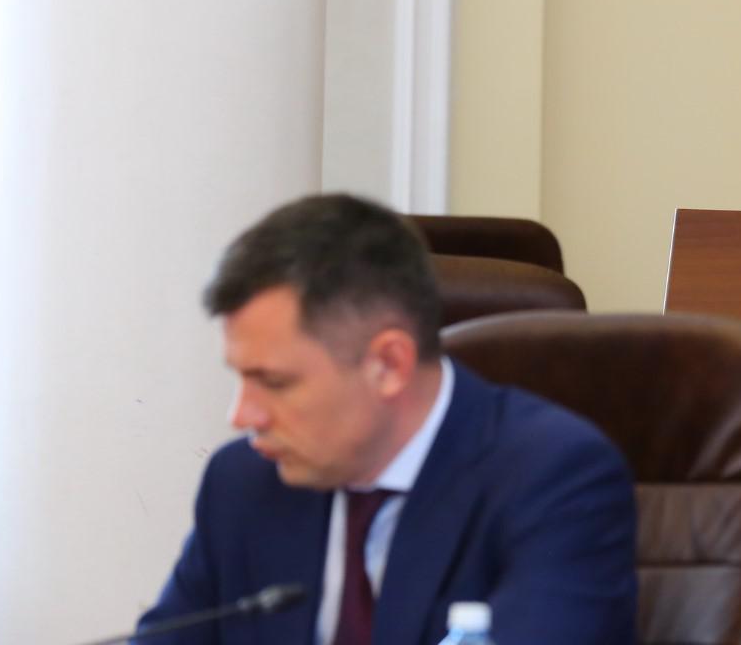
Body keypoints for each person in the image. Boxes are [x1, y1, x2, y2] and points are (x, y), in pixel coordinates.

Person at [139, 193, 637, 644]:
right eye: (240, 377)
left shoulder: (553, 478)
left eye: (275, 382)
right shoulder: (243, 482)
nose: (241, 415)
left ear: (389, 365)